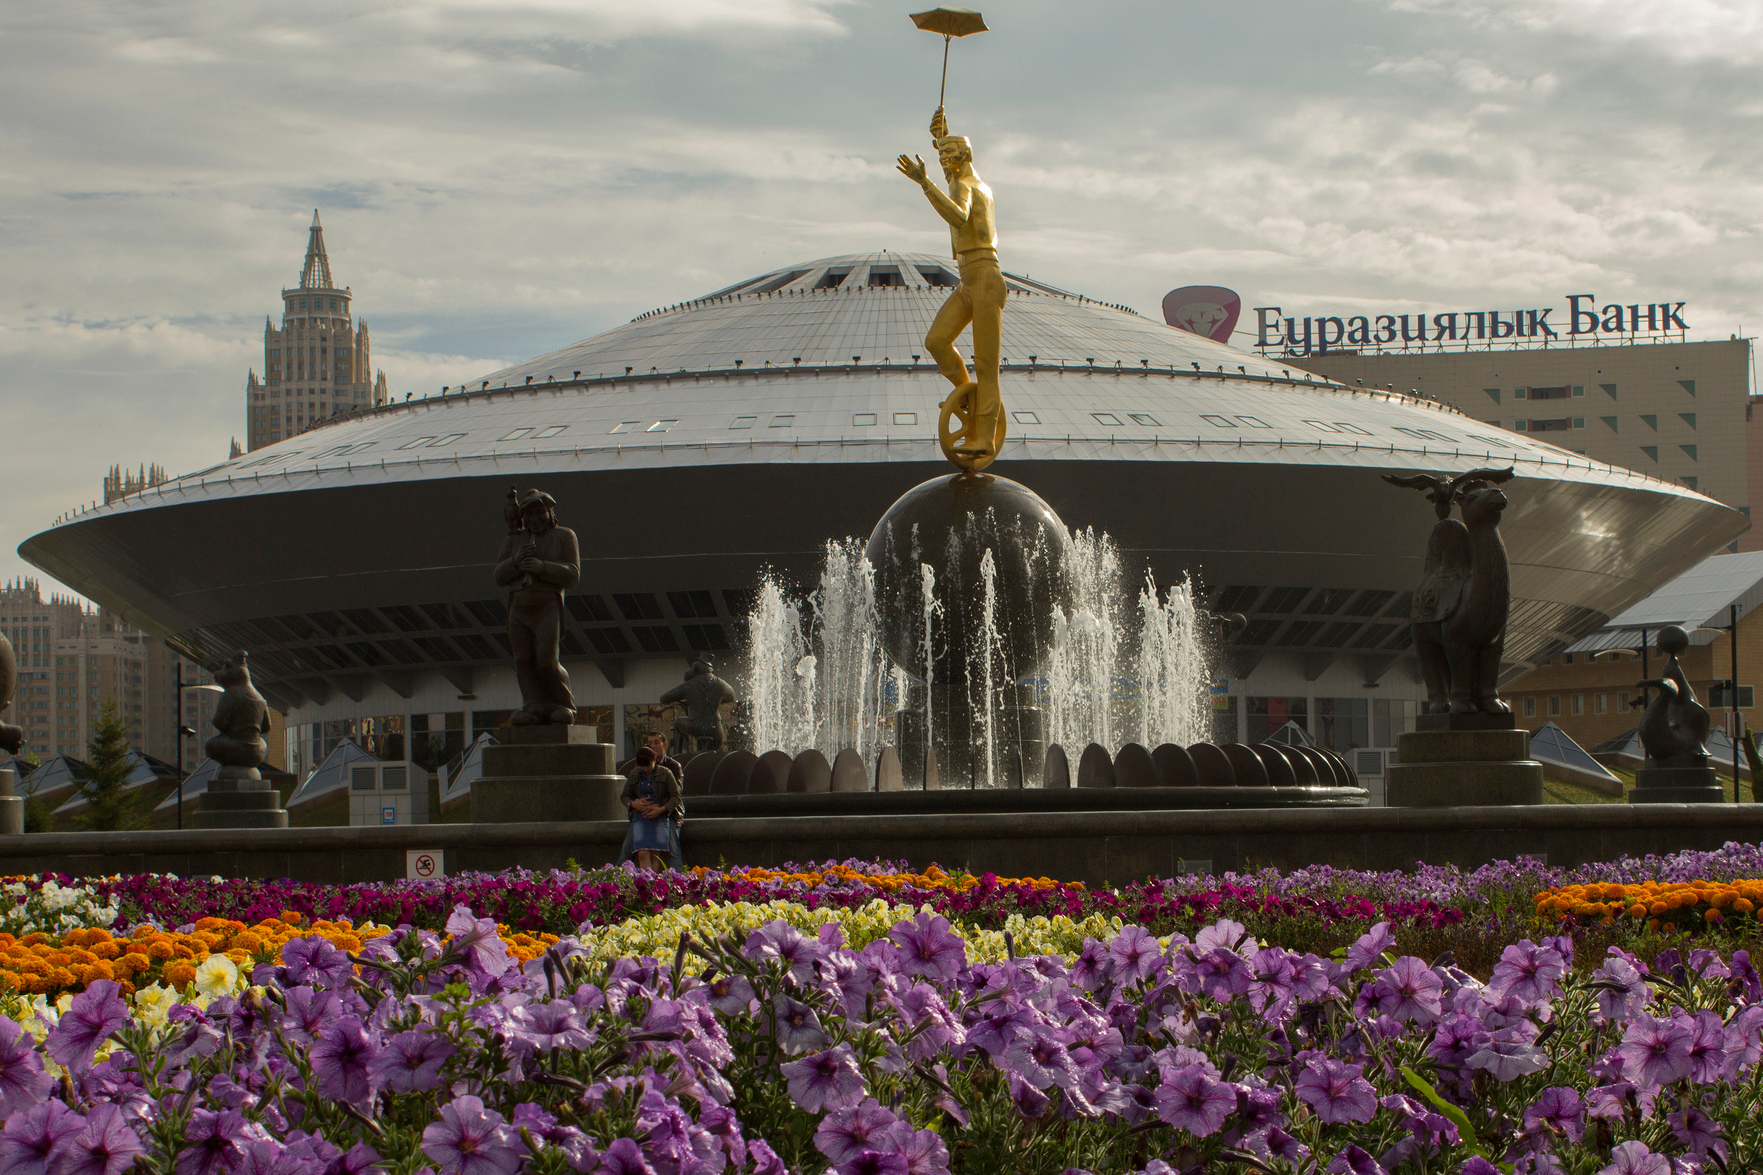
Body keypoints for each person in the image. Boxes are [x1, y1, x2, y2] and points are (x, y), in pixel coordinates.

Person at [620, 747, 682, 873]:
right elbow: (624, 796)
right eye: (642, 767)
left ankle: (653, 884)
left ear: (654, 759)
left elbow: (676, 797)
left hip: (659, 816)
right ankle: (645, 881)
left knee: (655, 854)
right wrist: (634, 804)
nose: (646, 770)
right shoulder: (635, 774)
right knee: (642, 852)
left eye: (648, 766)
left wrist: (661, 809)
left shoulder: (666, 773)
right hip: (641, 817)